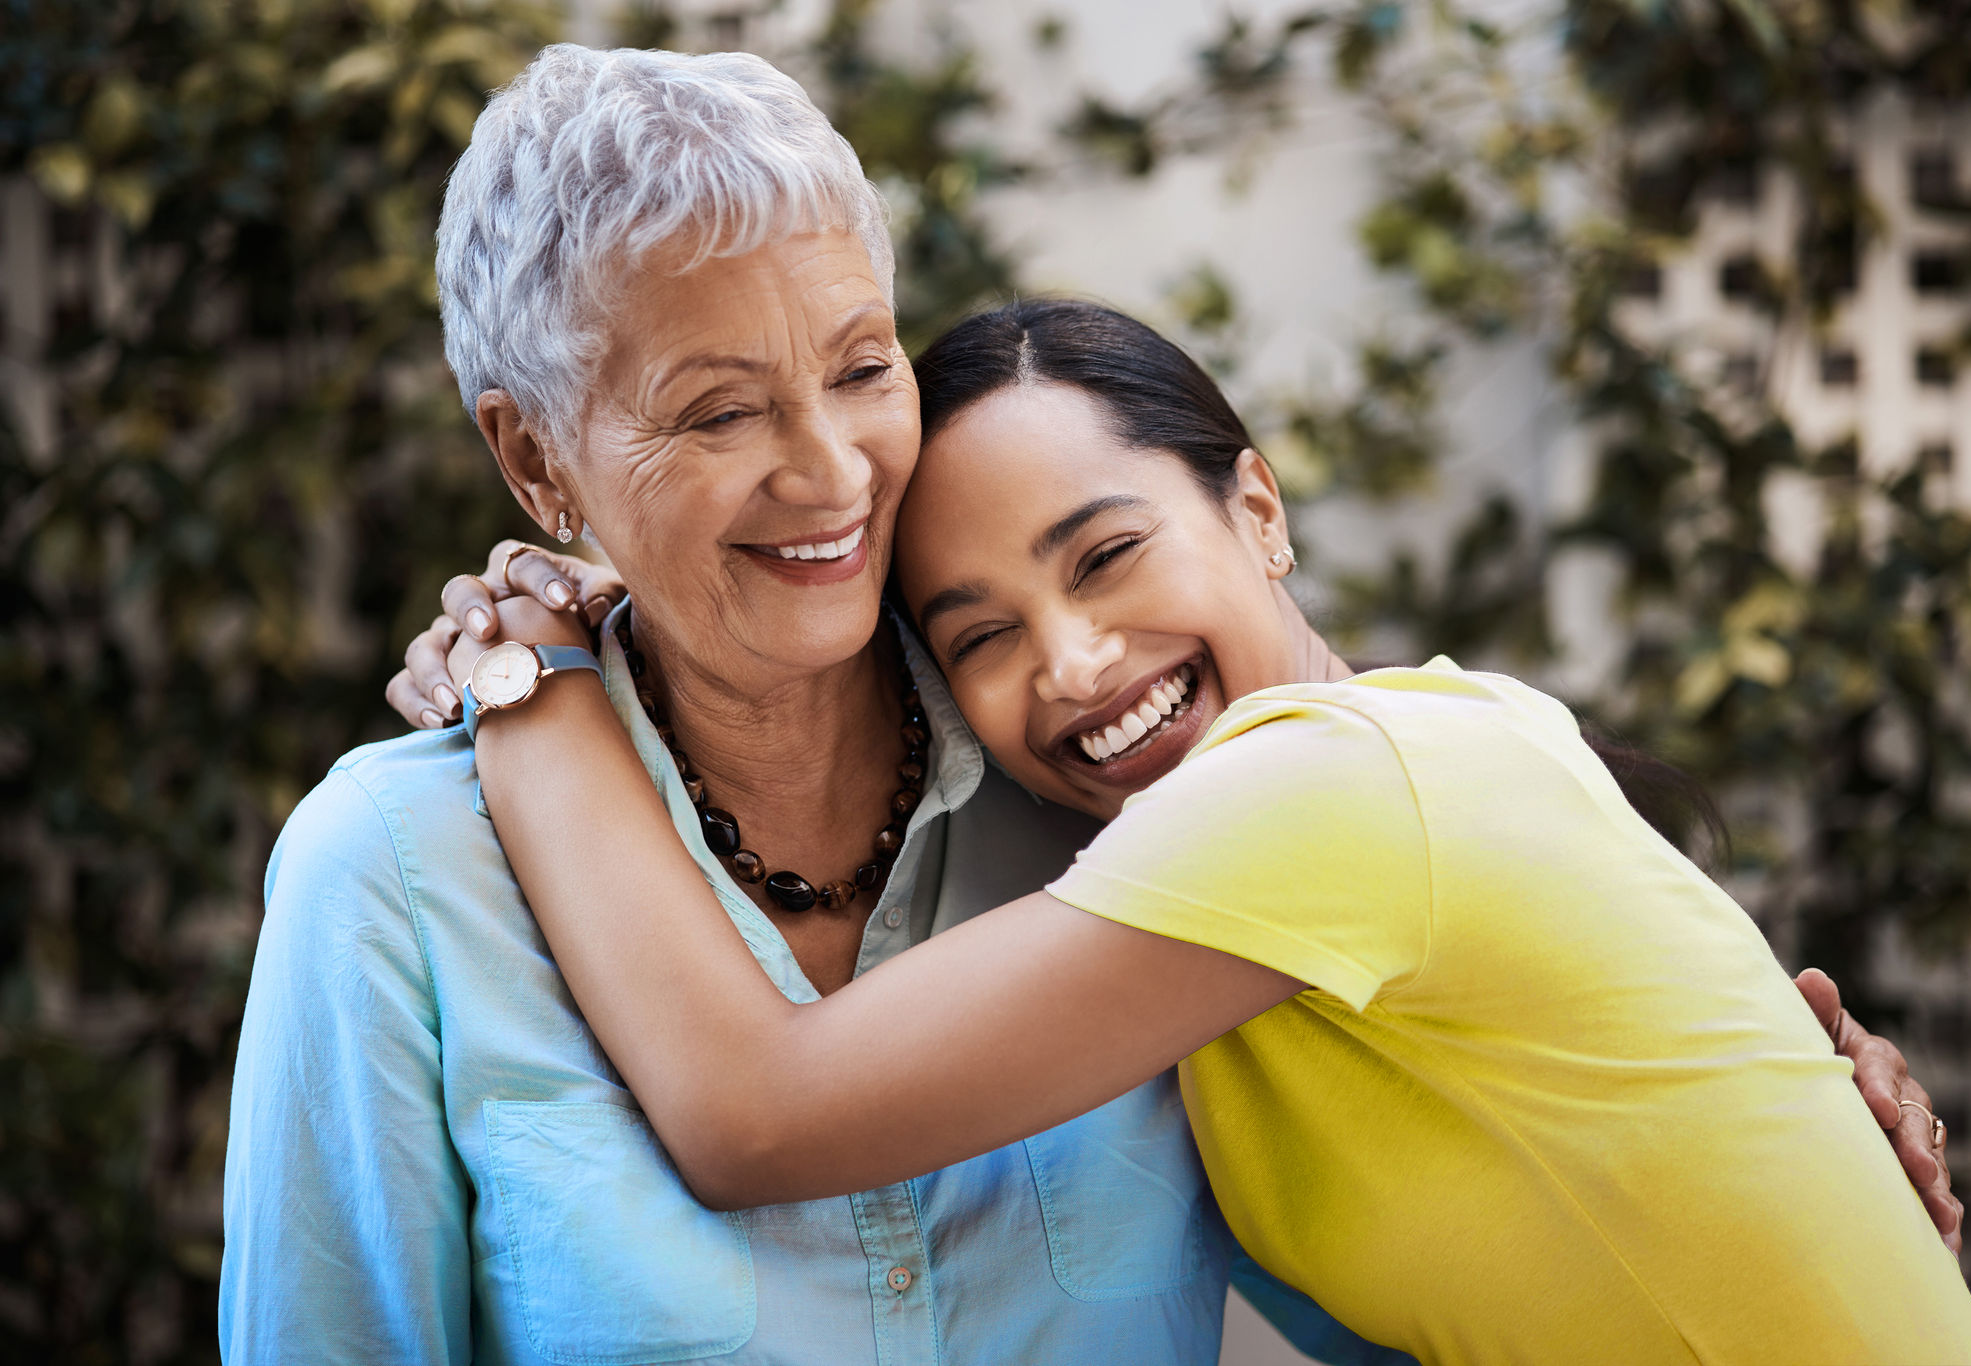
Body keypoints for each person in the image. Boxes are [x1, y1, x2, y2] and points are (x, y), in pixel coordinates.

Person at [414, 298, 1971, 1365]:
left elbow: (752, 1114)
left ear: (1257, 508)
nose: (1074, 663)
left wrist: (536, 681)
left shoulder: (1327, 792)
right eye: (981, 635)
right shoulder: (1198, 904)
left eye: (1104, 555)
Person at [225, 45, 1355, 1366]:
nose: (833, 473)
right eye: (718, 414)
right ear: (535, 459)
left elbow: (1425, 1277)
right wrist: (526, 678)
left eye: (864, 368)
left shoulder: (1090, 770)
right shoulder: (391, 878)